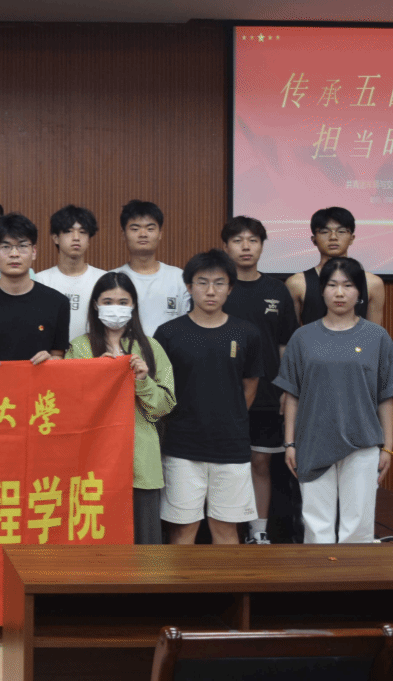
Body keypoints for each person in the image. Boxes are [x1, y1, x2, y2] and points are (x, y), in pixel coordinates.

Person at [275, 257, 393, 544]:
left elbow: (386, 395)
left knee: (358, 526)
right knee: (316, 525)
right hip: (312, 442)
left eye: (348, 286)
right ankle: (319, 574)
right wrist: (290, 443)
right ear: (321, 291)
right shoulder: (302, 337)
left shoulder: (377, 337)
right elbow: (292, 394)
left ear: (360, 293)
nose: (339, 293)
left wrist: (388, 446)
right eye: (332, 285)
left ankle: (355, 575)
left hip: (363, 442)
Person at [154, 249, 263, 545]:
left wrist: (227, 418)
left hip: (231, 447)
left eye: (219, 283)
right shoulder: (168, 333)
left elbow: (250, 386)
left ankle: (227, 581)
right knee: (182, 530)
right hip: (181, 447)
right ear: (189, 287)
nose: (211, 291)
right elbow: (160, 390)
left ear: (230, 288)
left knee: (226, 531)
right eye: (202, 282)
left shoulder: (247, 333)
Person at [64, 272, 175, 544]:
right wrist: (98, 377)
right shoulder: (80, 347)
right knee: (98, 545)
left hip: (140, 463)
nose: (116, 308)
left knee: (145, 547)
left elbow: (164, 407)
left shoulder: (151, 347)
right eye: (108, 301)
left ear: (133, 305)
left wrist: (143, 381)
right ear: (95, 305)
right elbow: (69, 408)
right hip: (93, 465)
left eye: (123, 302)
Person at [221, 216, 299, 544]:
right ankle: (226, 532)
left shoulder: (276, 290)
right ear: (226, 246)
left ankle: (258, 531)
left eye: (253, 240)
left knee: (261, 463)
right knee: (226, 465)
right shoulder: (219, 288)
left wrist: (286, 389)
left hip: (267, 393)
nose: (246, 247)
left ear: (262, 246)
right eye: (238, 240)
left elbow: (286, 345)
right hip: (224, 393)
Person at [0, 213, 69, 365]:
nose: (14, 254)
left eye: (22, 246)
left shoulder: (58, 303)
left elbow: (58, 355)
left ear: (34, 252)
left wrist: (52, 360)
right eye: (5, 247)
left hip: (37, 381)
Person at [286, 206, 386, 326]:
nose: (333, 237)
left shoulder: (372, 283)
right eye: (324, 232)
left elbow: (374, 333)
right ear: (314, 240)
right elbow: (292, 334)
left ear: (352, 238)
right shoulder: (297, 283)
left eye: (341, 231)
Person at [112, 200, 189, 336]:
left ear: (160, 234)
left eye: (150, 229)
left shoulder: (179, 278)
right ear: (123, 235)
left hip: (169, 350)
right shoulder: (112, 278)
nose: (143, 234)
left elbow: (187, 325)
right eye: (135, 229)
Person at [35, 205, 106, 344]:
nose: (76, 238)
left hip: (93, 354)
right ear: (55, 238)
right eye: (68, 231)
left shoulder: (102, 279)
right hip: (51, 354)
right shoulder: (40, 280)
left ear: (89, 239)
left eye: (83, 232)